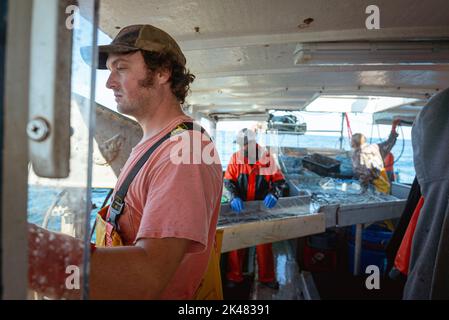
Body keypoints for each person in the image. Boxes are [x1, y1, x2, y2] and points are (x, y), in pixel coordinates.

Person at [27, 24, 223, 299]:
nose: (109, 82)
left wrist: (29, 252)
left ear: (162, 72)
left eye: (121, 68)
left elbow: (146, 277)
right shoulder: (158, 143)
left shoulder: (184, 152)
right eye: (109, 70)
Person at [223, 128, 288, 289]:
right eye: (240, 145)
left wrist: (274, 194)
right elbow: (228, 182)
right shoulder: (235, 159)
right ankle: (235, 276)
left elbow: (279, 182)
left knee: (264, 244)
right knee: (237, 243)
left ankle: (267, 278)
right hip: (240, 210)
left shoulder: (268, 159)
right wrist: (233, 196)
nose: (242, 148)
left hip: (262, 210)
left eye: (245, 145)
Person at [351, 119, 401, 194]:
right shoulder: (375, 147)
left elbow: (364, 174)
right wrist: (393, 128)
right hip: (384, 185)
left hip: (372, 186)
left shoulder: (356, 154)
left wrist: (363, 189)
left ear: (354, 143)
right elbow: (389, 142)